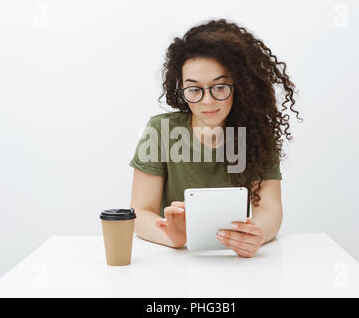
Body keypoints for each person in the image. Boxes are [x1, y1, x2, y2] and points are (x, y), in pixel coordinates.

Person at [129, 18, 302, 258]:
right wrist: (171, 236)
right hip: (177, 263)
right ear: (181, 89)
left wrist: (254, 235)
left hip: (236, 261)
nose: (207, 101)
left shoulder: (257, 134)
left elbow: (270, 210)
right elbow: (139, 211)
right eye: (194, 89)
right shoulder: (161, 129)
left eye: (220, 87)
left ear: (239, 85)